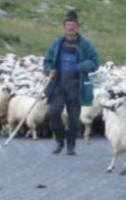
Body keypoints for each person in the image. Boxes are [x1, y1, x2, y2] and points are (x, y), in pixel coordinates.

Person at [43, 10, 100, 156]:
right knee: (54, 113)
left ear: (77, 27)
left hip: (76, 85)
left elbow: (95, 62)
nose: (70, 27)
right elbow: (47, 61)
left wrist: (82, 66)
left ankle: (71, 145)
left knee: (74, 118)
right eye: (68, 25)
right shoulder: (57, 43)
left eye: (73, 25)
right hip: (59, 85)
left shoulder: (85, 45)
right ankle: (59, 141)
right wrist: (50, 69)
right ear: (64, 27)